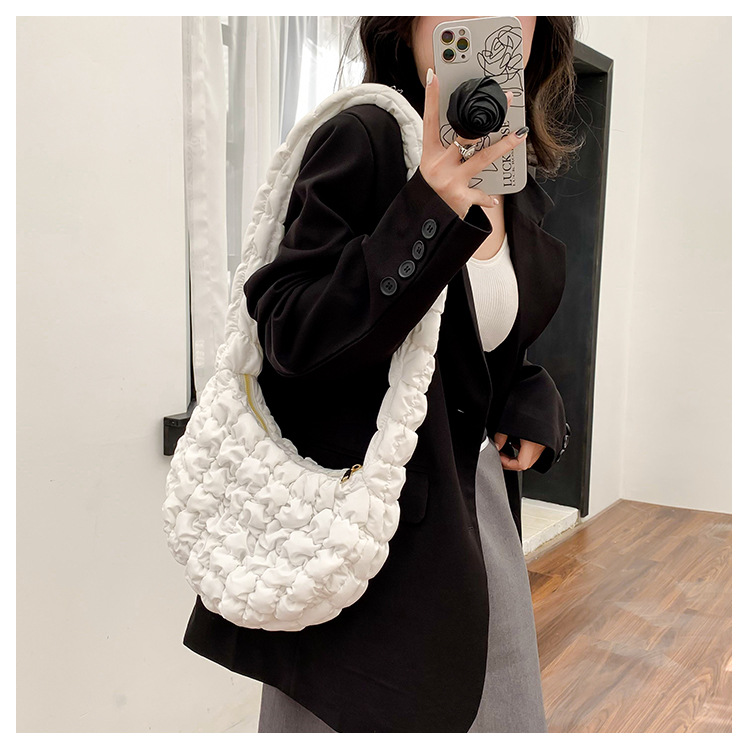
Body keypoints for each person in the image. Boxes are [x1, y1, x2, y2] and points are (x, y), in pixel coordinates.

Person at [181, 15, 577, 733]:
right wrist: (428, 207)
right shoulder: (364, 138)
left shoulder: (514, 181)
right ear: (406, 22)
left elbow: (475, 348)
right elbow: (291, 333)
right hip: (360, 536)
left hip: (475, 518)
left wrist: (529, 401)